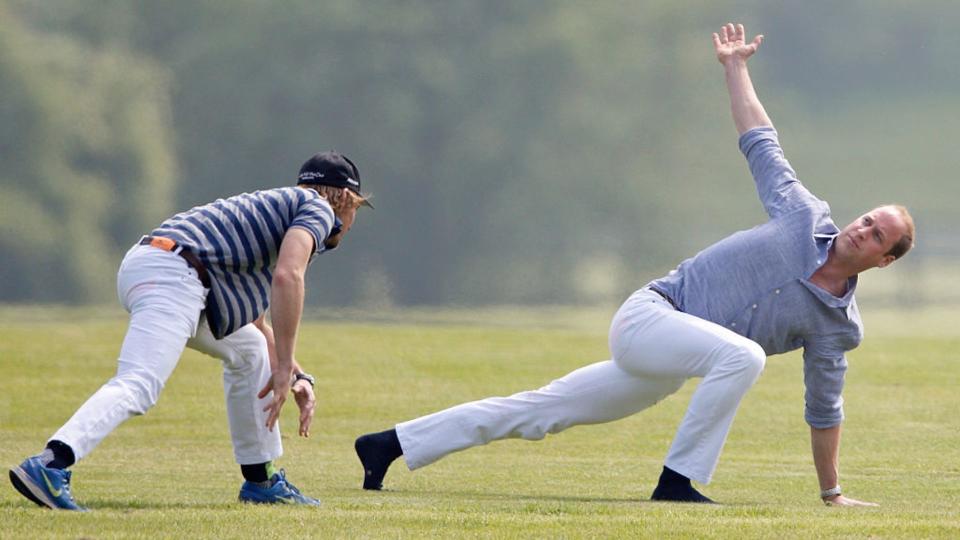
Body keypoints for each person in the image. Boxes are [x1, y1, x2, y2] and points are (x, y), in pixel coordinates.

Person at [354, 23, 915, 506]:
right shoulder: (802, 214)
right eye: (867, 219)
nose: (861, 229)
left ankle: (389, 444)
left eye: (876, 236)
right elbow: (760, 141)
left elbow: (824, 408)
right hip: (650, 314)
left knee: (541, 412)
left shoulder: (837, 327)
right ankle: (679, 483)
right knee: (743, 356)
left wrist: (830, 492)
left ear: (884, 261)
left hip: (668, 363)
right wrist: (734, 68)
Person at [9, 151, 372, 511]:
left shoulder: (281, 209)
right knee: (139, 384)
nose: (353, 220)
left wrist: (293, 372)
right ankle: (51, 464)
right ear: (346, 199)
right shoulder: (319, 209)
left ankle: (261, 479)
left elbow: (256, 324)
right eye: (357, 208)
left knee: (249, 350)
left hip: (165, 266)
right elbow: (288, 276)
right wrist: (284, 366)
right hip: (174, 273)